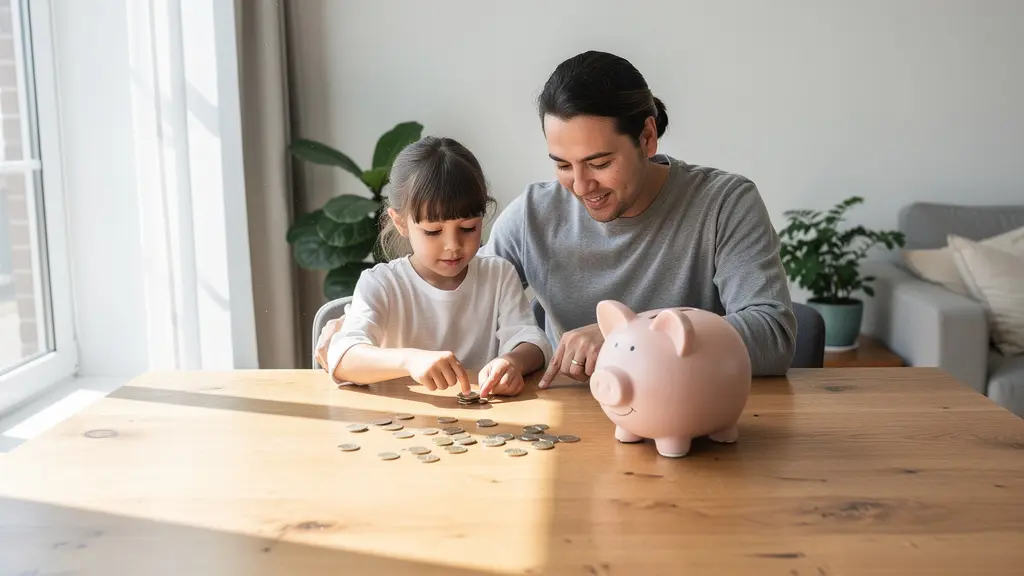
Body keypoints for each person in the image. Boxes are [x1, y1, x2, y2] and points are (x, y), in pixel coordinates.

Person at [317, 50, 796, 387]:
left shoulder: (724, 204)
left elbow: (772, 336)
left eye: (599, 163)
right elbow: (458, 282)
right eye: (563, 164)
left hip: (690, 417)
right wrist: (349, 329)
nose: (581, 186)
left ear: (647, 137)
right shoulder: (533, 215)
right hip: (571, 424)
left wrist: (628, 335)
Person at [323, 136, 552, 399]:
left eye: (468, 228)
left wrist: (512, 361)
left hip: (485, 415)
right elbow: (342, 358)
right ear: (400, 222)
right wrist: (410, 360)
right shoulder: (382, 283)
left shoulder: (498, 275)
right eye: (433, 231)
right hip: (402, 416)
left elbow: (532, 341)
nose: (453, 246)